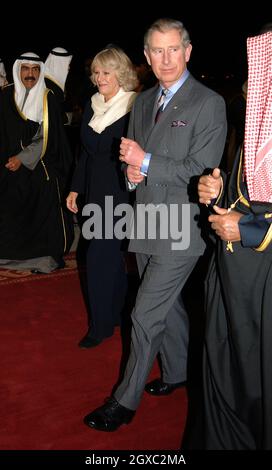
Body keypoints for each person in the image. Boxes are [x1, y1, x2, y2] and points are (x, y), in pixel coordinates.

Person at [83, 18, 227, 431]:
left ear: (188, 51)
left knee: (145, 314)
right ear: (146, 56)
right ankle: (178, 371)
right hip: (145, 220)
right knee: (171, 309)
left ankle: (123, 403)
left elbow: (200, 170)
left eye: (173, 49)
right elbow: (134, 162)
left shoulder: (208, 102)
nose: (166, 59)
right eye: (157, 51)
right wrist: (132, 174)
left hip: (182, 226)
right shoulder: (143, 101)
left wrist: (144, 162)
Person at [196, 30, 272, 449]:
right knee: (228, 379)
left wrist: (250, 231)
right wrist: (215, 189)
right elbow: (243, 192)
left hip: (265, 284)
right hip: (232, 282)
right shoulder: (255, 128)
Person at [66, 46, 138, 348]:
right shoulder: (93, 103)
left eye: (106, 71)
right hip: (95, 191)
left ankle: (100, 326)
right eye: (96, 72)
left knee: (98, 257)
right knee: (109, 258)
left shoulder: (134, 106)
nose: (99, 78)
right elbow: (86, 153)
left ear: (120, 73)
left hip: (120, 192)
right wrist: (75, 188)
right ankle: (119, 314)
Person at [0, 52, 74, 273]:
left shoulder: (47, 97)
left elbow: (48, 136)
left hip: (39, 164)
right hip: (8, 167)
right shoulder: (5, 96)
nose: (30, 74)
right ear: (18, 70)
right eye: (25, 69)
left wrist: (23, 158)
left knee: (44, 199)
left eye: (35, 69)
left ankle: (42, 258)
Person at [44, 47, 73, 124]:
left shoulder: (55, 82)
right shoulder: (47, 85)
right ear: (59, 64)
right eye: (67, 64)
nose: (69, 67)